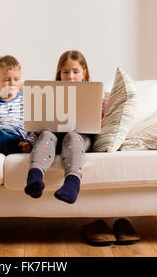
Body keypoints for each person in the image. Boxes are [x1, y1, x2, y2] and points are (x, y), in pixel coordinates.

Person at [24, 50, 105, 204]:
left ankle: (72, 184)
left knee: (73, 136)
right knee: (46, 135)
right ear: (59, 74)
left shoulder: (93, 94)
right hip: (54, 139)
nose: (71, 76)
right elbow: (37, 125)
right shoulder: (50, 93)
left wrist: (101, 107)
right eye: (66, 72)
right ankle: (34, 178)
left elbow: (96, 124)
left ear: (84, 73)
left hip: (79, 139)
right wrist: (30, 140)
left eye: (75, 72)